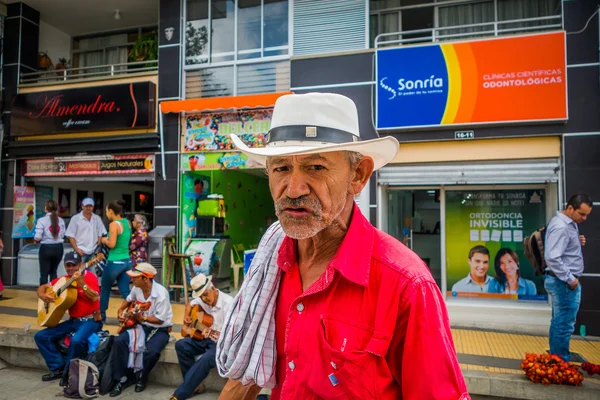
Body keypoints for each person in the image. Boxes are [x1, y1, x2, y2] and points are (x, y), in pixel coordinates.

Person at [216, 93, 468, 399]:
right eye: (281, 168)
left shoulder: (407, 286)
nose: (293, 189)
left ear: (358, 176)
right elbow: (251, 365)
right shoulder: (271, 264)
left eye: (316, 168)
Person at [34, 251, 102, 386]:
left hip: (91, 320)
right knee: (41, 336)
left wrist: (81, 283)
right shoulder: (64, 280)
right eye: (68, 265)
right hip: (74, 321)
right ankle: (57, 368)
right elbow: (43, 287)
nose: (71, 268)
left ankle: (68, 373)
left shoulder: (91, 278)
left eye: (74, 265)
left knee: (76, 340)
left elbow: (94, 297)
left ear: (81, 265)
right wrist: (42, 294)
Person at [108, 263, 172, 397]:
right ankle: (121, 378)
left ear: (145, 278)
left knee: (152, 351)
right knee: (119, 341)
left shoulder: (161, 293)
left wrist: (142, 318)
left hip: (160, 329)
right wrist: (120, 311)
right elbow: (128, 300)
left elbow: (160, 320)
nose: (132, 280)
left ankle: (142, 377)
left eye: (136, 277)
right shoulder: (137, 288)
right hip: (141, 325)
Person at [170, 274, 236, 400]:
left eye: (206, 294)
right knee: (181, 345)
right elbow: (190, 303)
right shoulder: (202, 299)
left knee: (205, 359)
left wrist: (213, 332)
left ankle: (180, 394)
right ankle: (195, 385)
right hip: (205, 339)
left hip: (222, 343)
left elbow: (232, 333)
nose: (204, 299)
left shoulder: (228, 303)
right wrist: (186, 317)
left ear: (213, 288)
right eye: (201, 296)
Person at [544, 194, 593, 362]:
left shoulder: (569, 225)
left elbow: (562, 250)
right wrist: (570, 278)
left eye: (587, 215)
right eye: (582, 214)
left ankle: (555, 358)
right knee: (564, 324)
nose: (584, 218)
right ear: (570, 208)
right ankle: (559, 361)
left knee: (560, 321)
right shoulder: (562, 226)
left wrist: (576, 242)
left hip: (562, 281)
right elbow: (552, 257)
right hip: (564, 282)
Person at [99, 200, 132, 321]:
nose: (106, 213)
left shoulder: (114, 224)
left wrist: (104, 240)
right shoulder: (127, 223)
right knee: (125, 290)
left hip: (114, 261)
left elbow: (112, 244)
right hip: (126, 261)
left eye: (107, 211)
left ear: (111, 212)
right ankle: (135, 311)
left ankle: (101, 316)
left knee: (105, 288)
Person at [35, 200, 66, 285]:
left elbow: (38, 236)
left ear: (46, 209)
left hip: (46, 248)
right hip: (58, 248)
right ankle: (53, 294)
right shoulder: (61, 221)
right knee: (53, 272)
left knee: (44, 274)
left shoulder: (41, 220)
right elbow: (62, 235)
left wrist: (36, 240)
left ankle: (43, 295)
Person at [65, 197, 106, 262]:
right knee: (80, 271)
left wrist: (97, 250)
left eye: (90, 206)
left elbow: (100, 235)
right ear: (82, 206)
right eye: (86, 206)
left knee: (92, 272)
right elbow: (71, 236)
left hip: (93, 252)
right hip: (80, 252)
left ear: (93, 207)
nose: (88, 208)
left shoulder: (97, 218)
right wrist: (77, 249)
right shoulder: (75, 218)